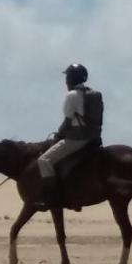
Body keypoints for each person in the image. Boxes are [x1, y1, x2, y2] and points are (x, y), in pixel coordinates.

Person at [35, 63, 103, 210]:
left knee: (44, 160)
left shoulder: (72, 95)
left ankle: (50, 198)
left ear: (72, 79)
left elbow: (67, 121)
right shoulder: (95, 93)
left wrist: (58, 135)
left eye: (67, 77)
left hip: (77, 139)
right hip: (94, 138)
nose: (66, 81)